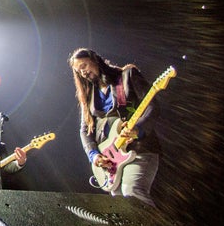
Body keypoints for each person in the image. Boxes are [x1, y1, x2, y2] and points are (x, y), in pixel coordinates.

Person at [68, 47, 161, 206]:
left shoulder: (126, 77)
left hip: (139, 149)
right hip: (111, 159)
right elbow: (85, 130)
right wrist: (94, 155)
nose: (82, 73)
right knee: (122, 207)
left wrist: (138, 129)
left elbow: (152, 107)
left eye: (83, 66)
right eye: (78, 71)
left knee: (132, 194)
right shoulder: (89, 96)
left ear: (95, 59)